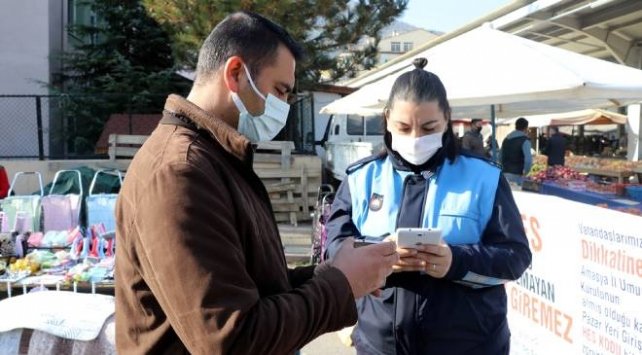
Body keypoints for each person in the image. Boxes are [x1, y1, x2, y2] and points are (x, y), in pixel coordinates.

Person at [115, 11, 398, 354]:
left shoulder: (216, 159)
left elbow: (254, 287)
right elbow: (232, 339)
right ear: (235, 73)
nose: (285, 106)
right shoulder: (178, 173)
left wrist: (330, 273)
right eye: (280, 90)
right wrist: (341, 284)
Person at [325, 58, 532, 355]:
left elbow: (515, 258)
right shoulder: (361, 178)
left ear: (447, 118)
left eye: (428, 127)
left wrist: (455, 262)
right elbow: (334, 248)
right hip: (379, 345)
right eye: (404, 127)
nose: (415, 138)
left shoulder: (484, 177)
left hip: (471, 345)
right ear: (386, 119)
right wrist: (380, 254)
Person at [500, 117, 532, 184]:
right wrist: (526, 172)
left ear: (515, 126)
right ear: (526, 128)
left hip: (504, 172)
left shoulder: (506, 140)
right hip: (517, 174)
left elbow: (499, 156)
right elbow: (528, 160)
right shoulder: (525, 141)